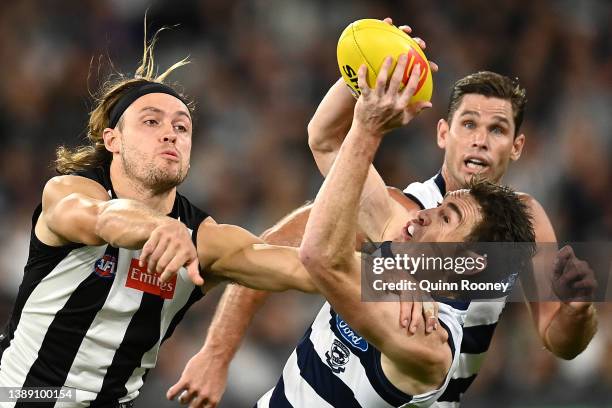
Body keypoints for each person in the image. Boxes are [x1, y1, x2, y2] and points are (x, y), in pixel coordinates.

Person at [172, 19, 597, 408]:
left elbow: (559, 340)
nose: (480, 141)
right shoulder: (398, 212)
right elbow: (276, 247)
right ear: (443, 133)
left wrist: (579, 313)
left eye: (497, 129)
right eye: (468, 124)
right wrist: (368, 72)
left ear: (517, 147)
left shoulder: (519, 225)